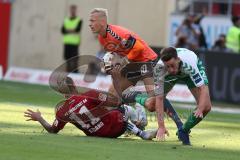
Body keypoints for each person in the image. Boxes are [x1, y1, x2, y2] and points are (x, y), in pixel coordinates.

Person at [123, 47, 212, 145]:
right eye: (167, 66)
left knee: (206, 107)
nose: (171, 70)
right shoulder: (159, 70)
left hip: (188, 73)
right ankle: (136, 96)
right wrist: (161, 126)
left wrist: (200, 108)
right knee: (151, 105)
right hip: (170, 77)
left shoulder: (189, 64)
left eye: (172, 65)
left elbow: (203, 88)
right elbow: (160, 98)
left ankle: (183, 130)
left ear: (178, 60)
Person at [24, 87, 157, 140]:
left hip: (96, 135)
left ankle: (137, 128)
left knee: (114, 115)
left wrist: (39, 118)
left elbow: (52, 130)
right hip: (115, 129)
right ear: (75, 88)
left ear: (64, 95)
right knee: (125, 109)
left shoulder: (62, 111)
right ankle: (141, 130)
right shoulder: (89, 95)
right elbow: (116, 104)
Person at [89, 8, 158, 103]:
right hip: (132, 63)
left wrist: (123, 62)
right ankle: (128, 112)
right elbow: (118, 53)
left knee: (152, 102)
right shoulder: (101, 38)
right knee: (112, 95)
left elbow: (139, 48)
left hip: (147, 61)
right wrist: (108, 63)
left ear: (102, 22)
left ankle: (136, 99)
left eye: (92, 21)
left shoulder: (116, 34)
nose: (90, 24)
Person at [61, 5, 82, 73]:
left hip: (74, 43)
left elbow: (77, 30)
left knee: (74, 59)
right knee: (67, 59)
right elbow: (62, 30)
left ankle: (75, 73)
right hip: (67, 42)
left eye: (74, 9)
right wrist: (72, 30)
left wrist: (68, 30)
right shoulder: (66, 20)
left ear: (76, 10)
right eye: (71, 9)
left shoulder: (79, 20)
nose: (72, 11)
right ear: (70, 10)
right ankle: (67, 73)